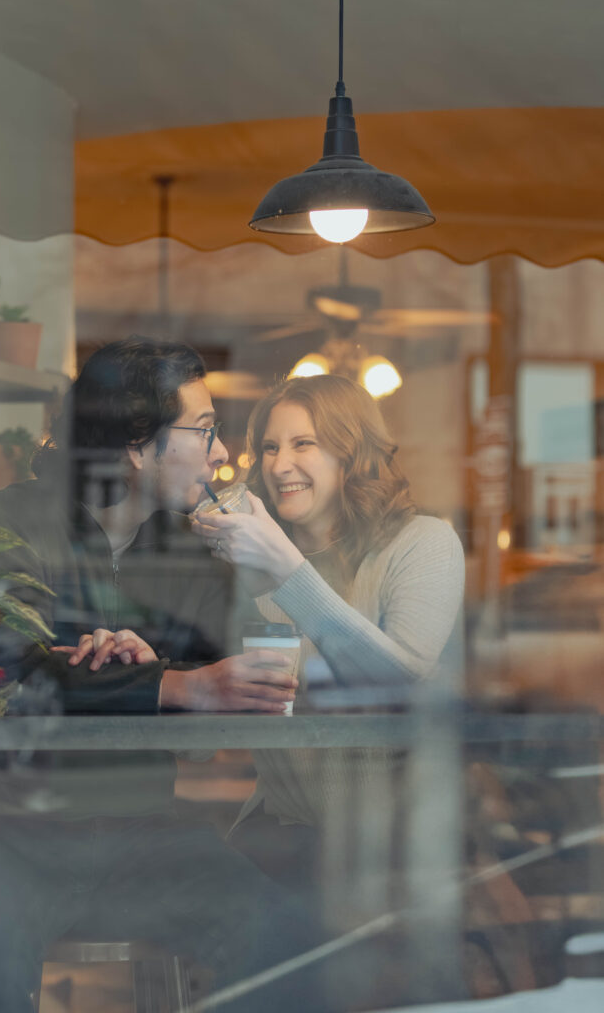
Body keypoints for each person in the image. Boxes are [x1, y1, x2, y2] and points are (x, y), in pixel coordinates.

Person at [0, 338, 332, 1013]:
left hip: (145, 831)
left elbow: (206, 733)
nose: (220, 454)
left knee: (290, 942)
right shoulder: (3, 526)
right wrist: (180, 687)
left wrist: (162, 677)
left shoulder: (191, 555)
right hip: (8, 835)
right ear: (134, 441)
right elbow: (1, 683)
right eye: (204, 431)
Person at [192, 373, 465, 895]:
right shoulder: (247, 562)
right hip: (282, 836)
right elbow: (217, 724)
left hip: (395, 850)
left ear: (351, 453)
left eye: (303, 444)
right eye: (269, 448)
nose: (278, 465)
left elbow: (398, 683)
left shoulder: (424, 544)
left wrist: (286, 568)